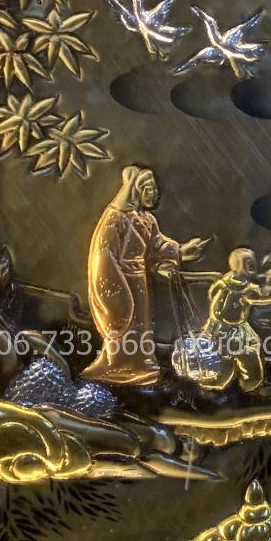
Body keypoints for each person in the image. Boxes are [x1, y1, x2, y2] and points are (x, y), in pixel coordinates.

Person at [82, 165, 205, 386]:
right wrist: (115, 293)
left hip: (140, 282)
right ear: (136, 191)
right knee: (124, 324)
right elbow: (104, 256)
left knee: (142, 325)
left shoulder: (147, 219)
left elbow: (156, 245)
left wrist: (180, 251)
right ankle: (116, 367)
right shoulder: (115, 219)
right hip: (121, 281)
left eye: (154, 189)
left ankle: (141, 365)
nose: (154, 194)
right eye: (148, 189)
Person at [200, 248, 271, 394]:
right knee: (247, 356)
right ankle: (250, 384)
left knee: (223, 360)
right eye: (251, 264)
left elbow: (212, 294)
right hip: (235, 331)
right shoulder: (246, 289)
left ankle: (215, 384)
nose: (254, 266)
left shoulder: (223, 282)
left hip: (215, 328)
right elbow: (265, 294)